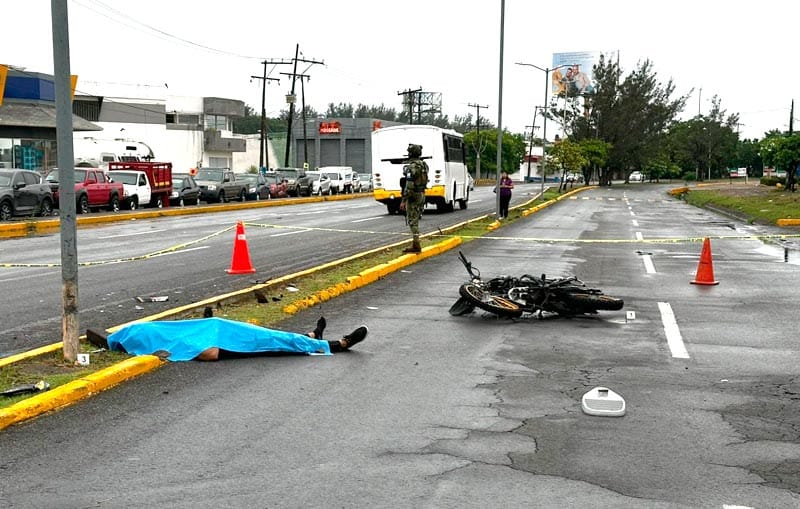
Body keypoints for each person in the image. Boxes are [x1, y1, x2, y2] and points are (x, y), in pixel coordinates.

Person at [86, 315, 367, 362]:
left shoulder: (139, 333)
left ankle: (313, 338)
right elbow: (203, 352)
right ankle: (332, 344)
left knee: (269, 339)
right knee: (270, 342)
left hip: (216, 331)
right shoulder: (139, 336)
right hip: (221, 340)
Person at [399, 143, 428, 253]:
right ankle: (415, 243)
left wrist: (404, 200)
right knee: (416, 218)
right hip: (421, 193)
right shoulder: (423, 165)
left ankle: (416, 245)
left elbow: (409, 185)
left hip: (414, 195)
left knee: (413, 221)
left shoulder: (412, 167)